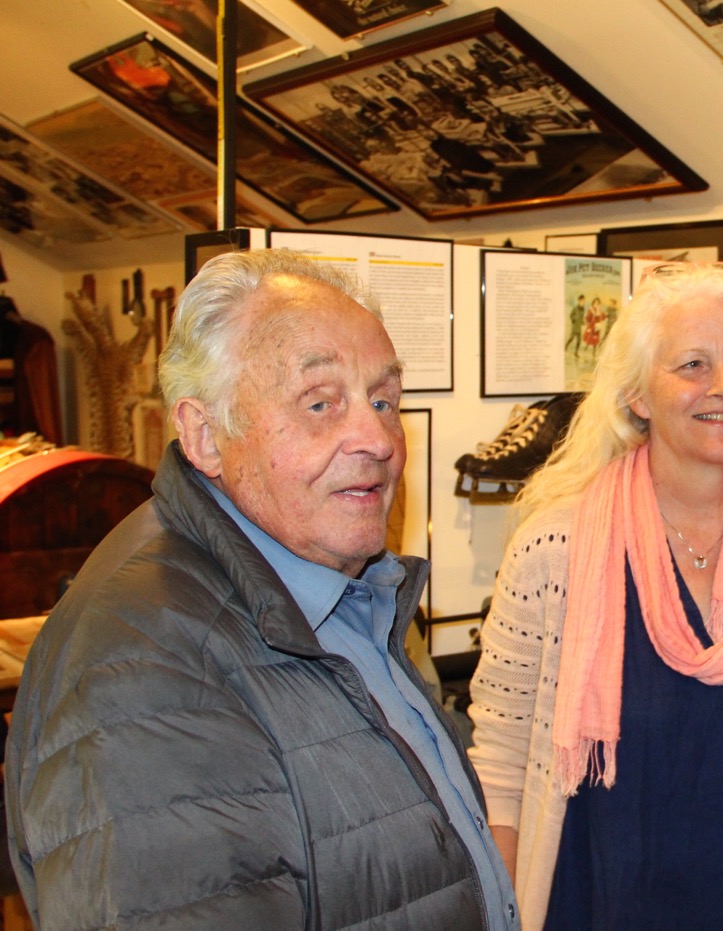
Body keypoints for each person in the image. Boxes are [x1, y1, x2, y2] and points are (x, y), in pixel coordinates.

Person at [5, 250, 519, 930]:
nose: (377, 438)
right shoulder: (150, 674)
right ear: (205, 435)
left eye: (383, 400)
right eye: (320, 403)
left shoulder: (340, 589)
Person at [468, 261, 723, 930]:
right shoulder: (554, 552)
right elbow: (501, 767)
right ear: (637, 395)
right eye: (692, 364)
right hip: (595, 908)